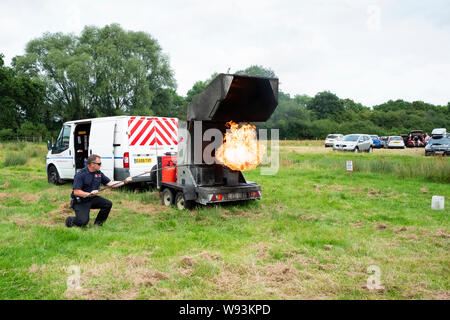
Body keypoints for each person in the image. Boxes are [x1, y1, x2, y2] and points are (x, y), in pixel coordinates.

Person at [66, 154, 132, 228]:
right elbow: (76, 192)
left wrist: (124, 182)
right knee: (83, 222)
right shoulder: (81, 174)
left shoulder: (98, 173)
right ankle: (69, 220)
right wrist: (89, 193)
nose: (101, 165)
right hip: (81, 201)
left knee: (107, 204)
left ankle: (98, 225)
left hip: (92, 198)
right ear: (92, 164)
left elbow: (110, 183)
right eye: (99, 164)